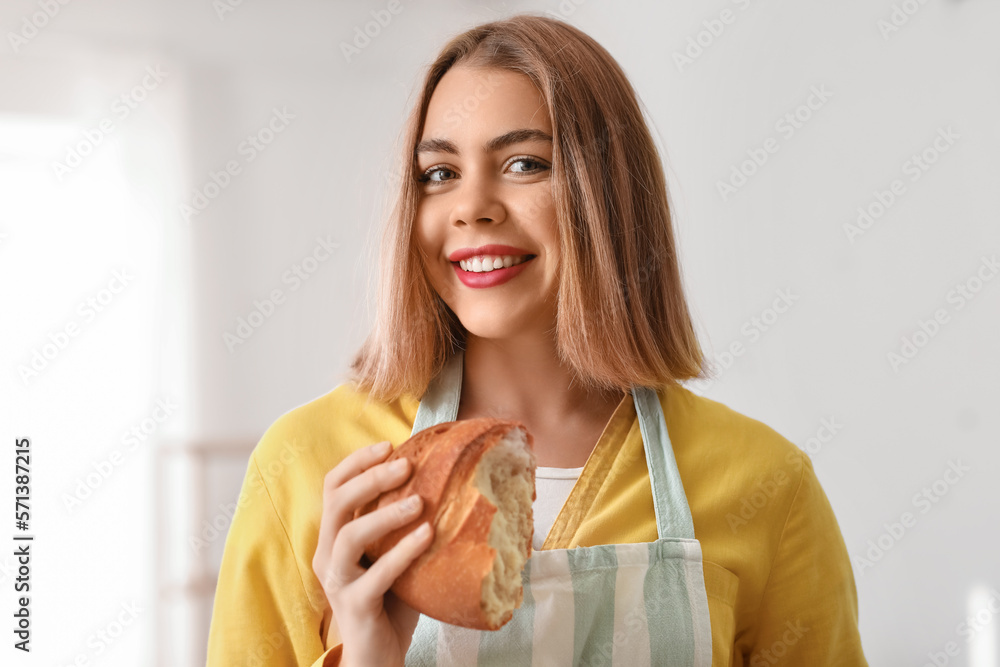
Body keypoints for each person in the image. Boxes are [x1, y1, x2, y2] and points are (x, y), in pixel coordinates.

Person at [206, 14, 868, 666]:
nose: (471, 206)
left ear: (607, 195)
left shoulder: (767, 485)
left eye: (524, 163)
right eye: (439, 173)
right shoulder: (306, 467)